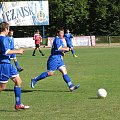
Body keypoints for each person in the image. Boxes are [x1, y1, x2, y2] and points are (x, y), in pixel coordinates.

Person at [0, 22, 29, 110]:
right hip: (4, 64)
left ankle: (18, 104)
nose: (8, 30)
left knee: (18, 81)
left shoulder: (3, 38)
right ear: (5, 29)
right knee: (2, 87)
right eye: (8, 29)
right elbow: (6, 52)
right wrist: (18, 51)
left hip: (8, 64)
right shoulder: (3, 39)